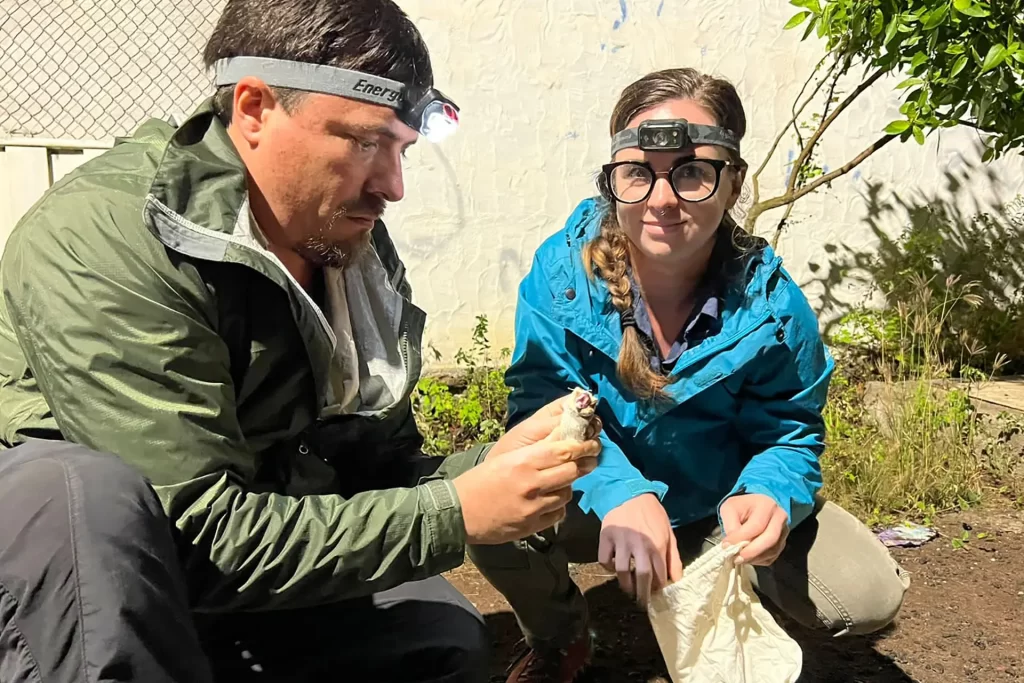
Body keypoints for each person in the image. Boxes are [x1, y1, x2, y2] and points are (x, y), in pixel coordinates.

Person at [0, 2, 601, 681]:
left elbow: (376, 463)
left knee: (439, 640)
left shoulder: (343, 245)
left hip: (239, 552)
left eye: (402, 151)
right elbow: (194, 538)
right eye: (367, 143)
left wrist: (496, 468)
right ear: (255, 108)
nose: (394, 187)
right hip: (103, 585)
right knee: (85, 493)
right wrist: (455, 513)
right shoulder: (111, 238)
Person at [468, 67, 912, 682]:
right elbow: (541, 413)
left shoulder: (774, 308)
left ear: (732, 184)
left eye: (693, 172)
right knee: (484, 494)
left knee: (864, 594)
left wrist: (768, 497)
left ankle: (729, 599)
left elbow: (791, 431)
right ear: (612, 182)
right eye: (638, 173)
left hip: (717, 511)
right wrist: (621, 490)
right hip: (595, 500)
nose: (662, 198)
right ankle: (559, 635)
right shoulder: (560, 278)